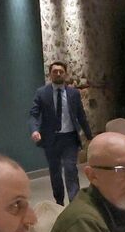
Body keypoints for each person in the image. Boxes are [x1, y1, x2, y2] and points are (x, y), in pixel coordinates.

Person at [29, 60, 93, 205]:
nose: (58, 74)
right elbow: (34, 114)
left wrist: (90, 137)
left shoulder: (73, 93)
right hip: (51, 139)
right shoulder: (42, 93)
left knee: (71, 169)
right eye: (55, 71)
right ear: (50, 74)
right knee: (55, 172)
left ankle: (75, 203)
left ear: (65, 74)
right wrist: (34, 130)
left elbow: (81, 116)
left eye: (61, 71)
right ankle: (59, 202)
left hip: (69, 138)